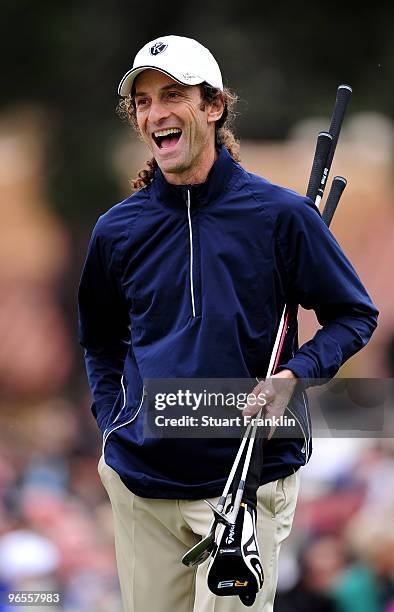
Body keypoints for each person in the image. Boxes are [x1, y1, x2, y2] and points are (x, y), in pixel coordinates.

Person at [77, 35, 378, 612]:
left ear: (213, 107)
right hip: (142, 482)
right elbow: (100, 339)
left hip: (249, 478)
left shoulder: (281, 216)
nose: (155, 113)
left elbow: (353, 315)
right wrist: (112, 420)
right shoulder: (116, 230)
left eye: (172, 95)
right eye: (142, 102)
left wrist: (295, 374)